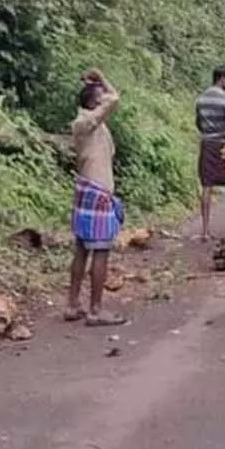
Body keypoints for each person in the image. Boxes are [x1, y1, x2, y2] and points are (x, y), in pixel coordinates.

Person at [66, 69, 126, 327]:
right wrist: (102, 77)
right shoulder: (86, 123)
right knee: (101, 250)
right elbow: (114, 98)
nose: (105, 101)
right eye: (99, 97)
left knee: (82, 248)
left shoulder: (91, 125)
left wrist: (99, 84)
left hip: (87, 188)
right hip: (98, 190)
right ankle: (96, 309)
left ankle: (72, 304)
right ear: (93, 102)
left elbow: (111, 100)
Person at [195, 65, 225, 241]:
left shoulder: (201, 99)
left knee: (207, 185)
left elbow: (198, 123)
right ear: (222, 78)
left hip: (207, 144)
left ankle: (205, 230)